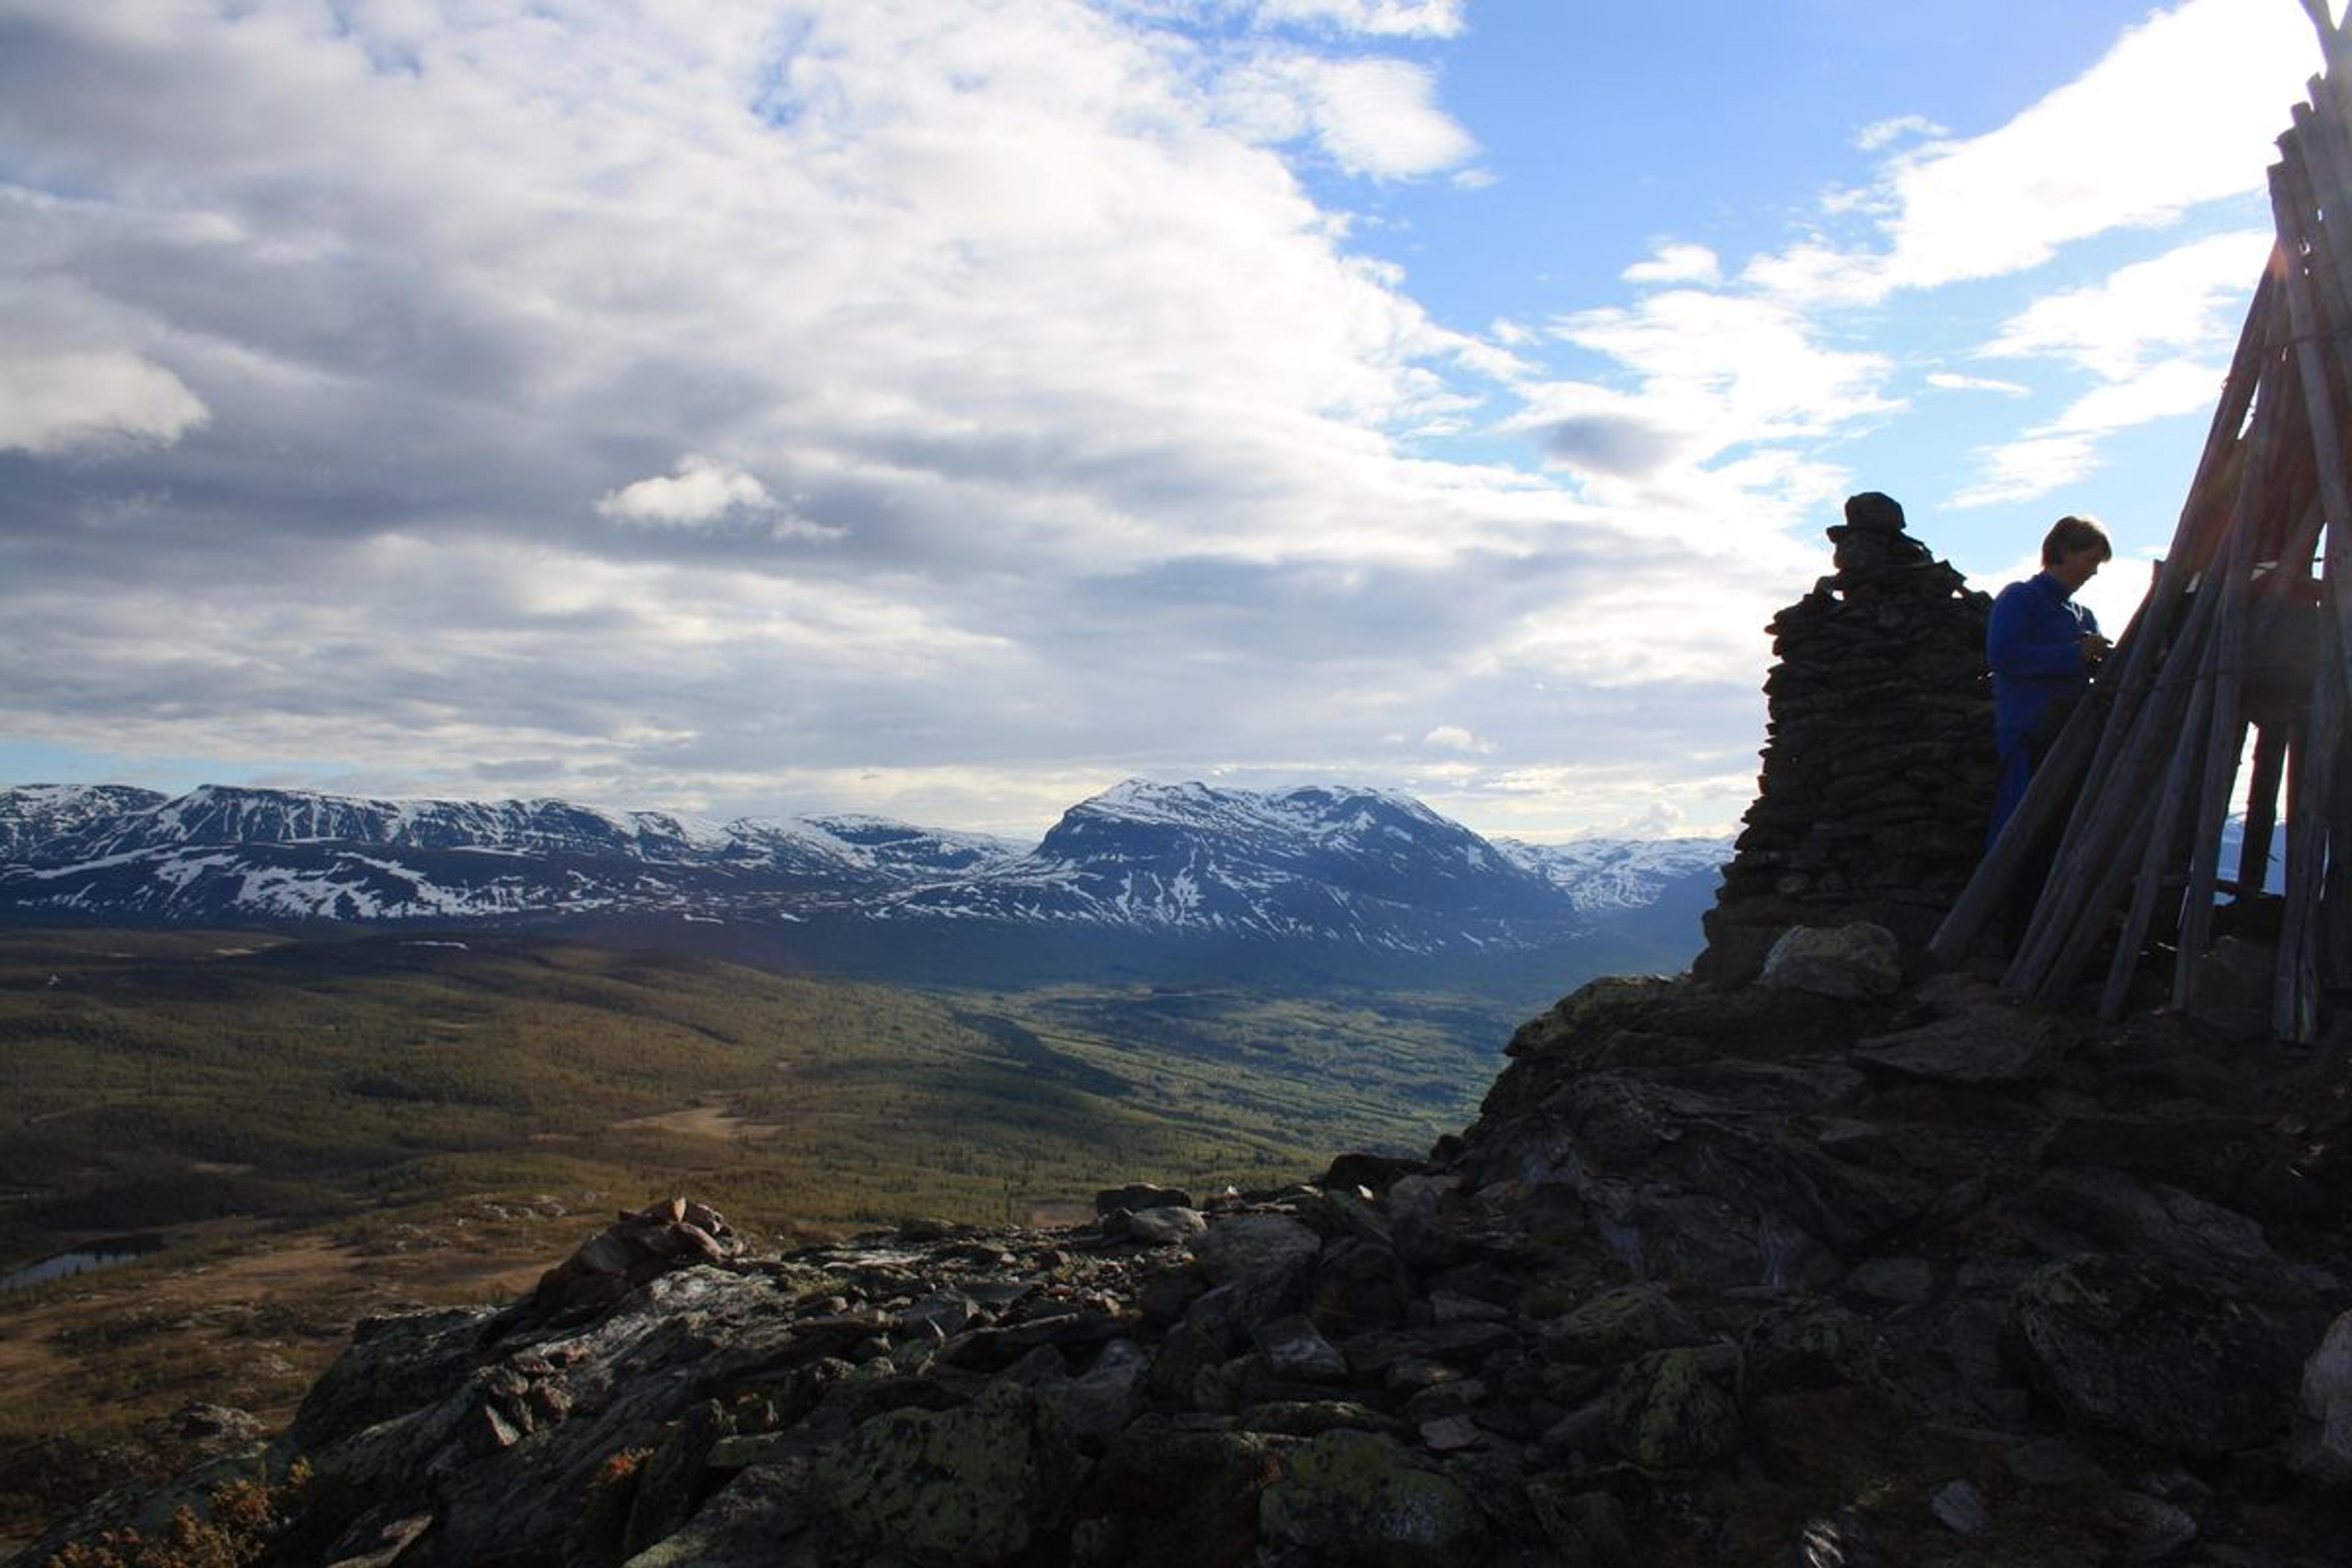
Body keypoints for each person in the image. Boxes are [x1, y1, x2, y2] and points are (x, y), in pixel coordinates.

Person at [1986, 514, 2113, 846]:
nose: (2094, 571)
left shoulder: (2085, 615)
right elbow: (2004, 655)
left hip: (2072, 733)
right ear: (2064, 552)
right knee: (2018, 825)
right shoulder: (2020, 598)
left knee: (2059, 832)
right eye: (2090, 560)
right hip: (2028, 733)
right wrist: (2075, 653)